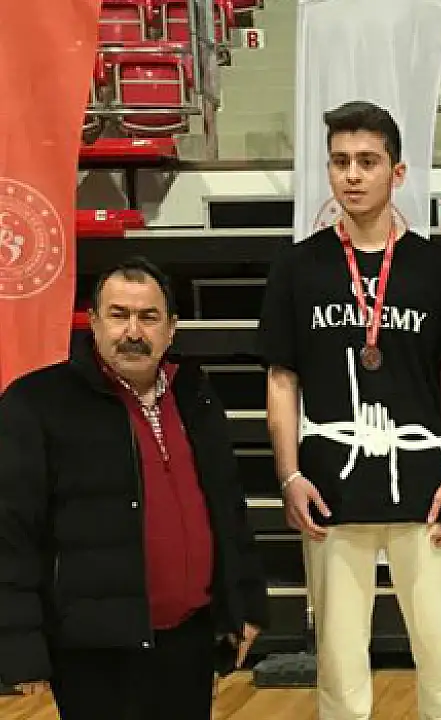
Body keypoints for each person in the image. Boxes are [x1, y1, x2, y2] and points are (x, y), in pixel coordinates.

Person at [258, 101, 441, 720]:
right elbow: (281, 379)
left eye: (367, 161)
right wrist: (289, 475)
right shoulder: (297, 266)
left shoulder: (433, 266)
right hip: (330, 486)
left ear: (397, 172)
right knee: (338, 661)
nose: (352, 175)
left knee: (440, 653)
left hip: (423, 485)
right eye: (340, 161)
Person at [0, 258, 267, 719]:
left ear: (171, 328)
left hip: (188, 638)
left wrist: (244, 603)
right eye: (119, 315)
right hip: (93, 648)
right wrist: (19, 644)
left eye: (148, 317)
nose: (133, 332)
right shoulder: (37, 403)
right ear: (94, 322)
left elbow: (228, 509)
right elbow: (10, 533)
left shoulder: (195, 395)